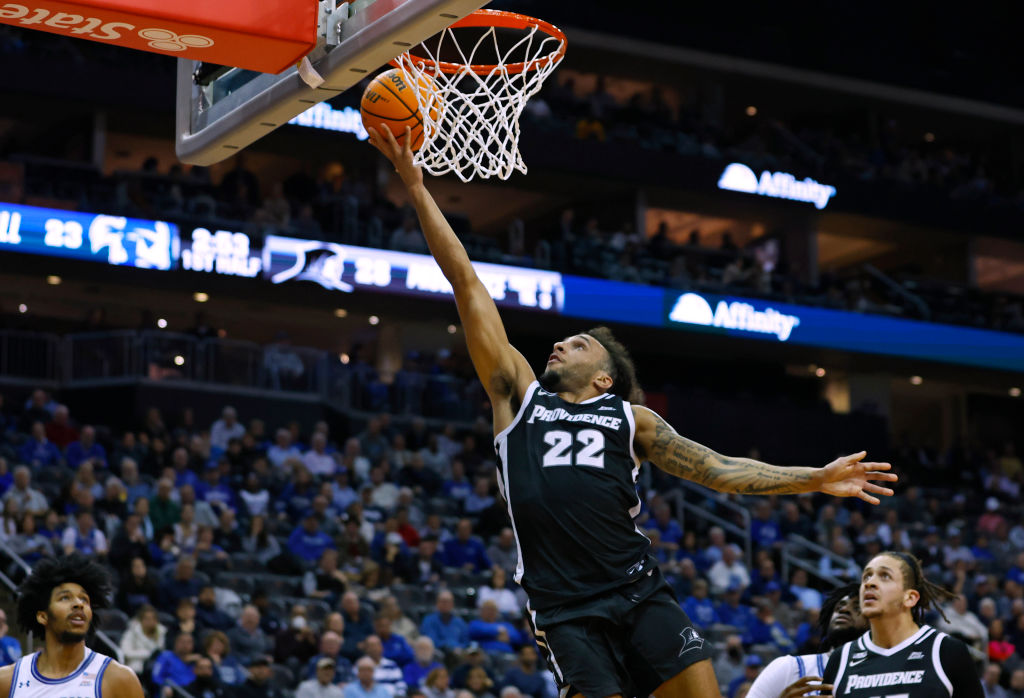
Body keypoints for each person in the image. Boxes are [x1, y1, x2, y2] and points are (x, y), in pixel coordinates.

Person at [369, 124, 897, 698]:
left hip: (638, 590)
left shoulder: (631, 421)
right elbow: (466, 282)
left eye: (578, 344)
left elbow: (718, 470)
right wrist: (416, 186)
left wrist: (814, 478)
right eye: (562, 340)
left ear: (605, 378)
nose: (559, 344)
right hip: (565, 608)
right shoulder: (518, 397)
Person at [823, 551, 983, 697]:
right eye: (866, 576)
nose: (869, 583)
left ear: (910, 598)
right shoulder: (840, 659)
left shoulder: (946, 651)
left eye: (885, 576)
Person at [0, 554, 144, 696]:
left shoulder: (119, 679)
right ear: (43, 616)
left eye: (84, 599)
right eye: (65, 597)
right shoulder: (8, 681)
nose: (78, 604)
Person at [746, 583, 866, 697]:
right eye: (839, 607)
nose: (844, 610)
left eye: (857, 608)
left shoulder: (882, 674)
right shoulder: (789, 667)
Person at [119, 604, 166, 674]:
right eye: (147, 619)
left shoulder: (161, 632)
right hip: (135, 665)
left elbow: (161, 651)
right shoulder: (132, 632)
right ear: (141, 620)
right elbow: (125, 652)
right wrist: (147, 654)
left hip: (154, 665)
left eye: (152, 619)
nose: (150, 621)